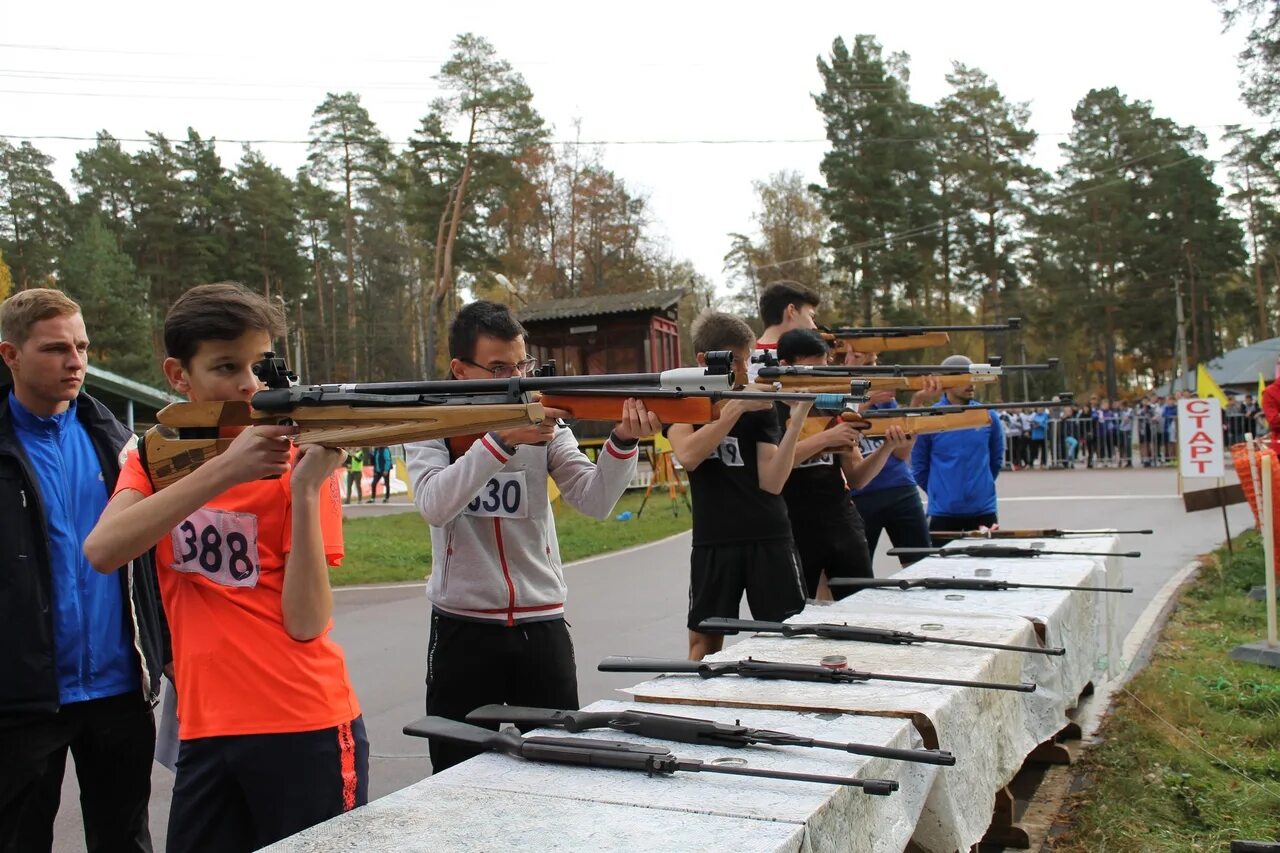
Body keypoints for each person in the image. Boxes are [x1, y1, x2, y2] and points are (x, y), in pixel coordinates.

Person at [83, 282, 366, 852]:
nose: (248, 383)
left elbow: (308, 622)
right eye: (225, 366)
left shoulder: (301, 459)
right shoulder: (155, 454)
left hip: (303, 721)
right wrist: (225, 470)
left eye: (259, 365)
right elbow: (102, 550)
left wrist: (307, 490)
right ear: (177, 375)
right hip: (205, 729)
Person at [406, 300, 661, 773]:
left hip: (541, 625)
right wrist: (501, 441)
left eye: (521, 363)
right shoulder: (431, 423)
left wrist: (624, 441)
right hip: (462, 626)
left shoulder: (546, 419)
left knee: (560, 773)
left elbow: (593, 499)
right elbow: (434, 505)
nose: (516, 377)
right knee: (454, 777)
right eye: (499, 367)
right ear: (460, 370)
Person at [0, 289, 169, 853]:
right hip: (22, 700)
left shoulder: (120, 444)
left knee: (125, 840)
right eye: (55, 349)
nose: (76, 361)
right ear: (10, 355)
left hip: (120, 690)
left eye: (82, 346)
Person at [666, 311, 811, 661]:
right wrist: (733, 411)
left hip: (768, 535)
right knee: (703, 645)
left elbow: (773, 482)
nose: (745, 371)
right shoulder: (681, 398)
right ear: (705, 360)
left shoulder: (760, 405)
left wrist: (795, 423)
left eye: (747, 360)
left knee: (787, 640)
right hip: (714, 539)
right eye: (737, 361)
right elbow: (688, 455)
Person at [774, 330, 909, 598]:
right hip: (793, 525)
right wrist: (827, 438)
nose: (818, 375)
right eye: (811, 367)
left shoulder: (830, 406)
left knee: (860, 606)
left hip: (841, 521)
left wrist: (886, 448)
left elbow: (857, 477)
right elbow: (773, 467)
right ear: (784, 366)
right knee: (796, 613)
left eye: (823, 368)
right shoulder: (767, 409)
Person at [843, 348, 933, 566]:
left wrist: (916, 404)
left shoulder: (885, 399)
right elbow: (839, 421)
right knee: (858, 570)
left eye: (874, 363)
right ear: (844, 359)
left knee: (919, 564)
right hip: (861, 494)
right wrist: (866, 401)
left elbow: (901, 454)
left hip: (900, 487)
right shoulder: (837, 395)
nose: (872, 370)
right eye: (863, 364)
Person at [911, 355, 1004, 539]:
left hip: (983, 511)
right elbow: (919, 466)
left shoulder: (988, 416)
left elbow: (996, 461)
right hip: (942, 514)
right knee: (942, 568)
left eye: (972, 377)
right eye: (962, 378)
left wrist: (978, 487)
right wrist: (941, 492)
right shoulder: (930, 419)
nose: (970, 383)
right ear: (946, 381)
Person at [751, 281, 821, 378]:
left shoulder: (738, 358)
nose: (814, 327)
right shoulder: (807, 357)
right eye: (811, 316)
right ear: (791, 311)